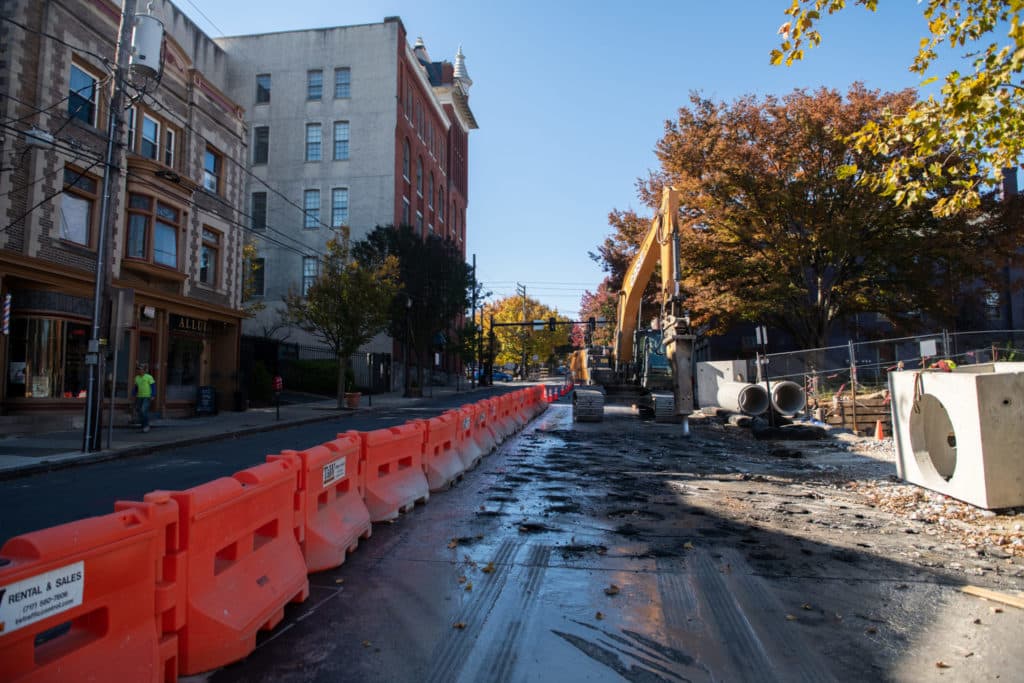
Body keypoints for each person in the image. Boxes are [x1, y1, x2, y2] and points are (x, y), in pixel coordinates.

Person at [133, 363, 156, 432]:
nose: (139, 371)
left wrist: (153, 395)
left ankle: (146, 426)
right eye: (138, 369)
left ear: (144, 370)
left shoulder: (149, 377)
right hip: (139, 396)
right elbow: (136, 387)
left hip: (147, 396)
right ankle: (144, 425)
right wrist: (133, 394)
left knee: (143, 410)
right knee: (139, 411)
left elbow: (153, 386)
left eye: (140, 369)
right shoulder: (136, 378)